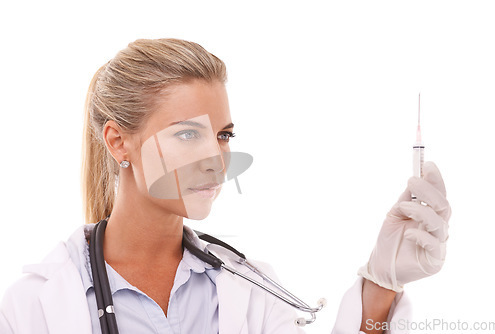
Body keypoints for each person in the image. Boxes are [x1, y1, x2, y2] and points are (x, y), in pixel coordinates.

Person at [0, 38, 451, 334]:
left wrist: (381, 287)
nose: (217, 158)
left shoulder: (252, 289)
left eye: (223, 135)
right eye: (187, 133)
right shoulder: (33, 306)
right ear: (119, 141)